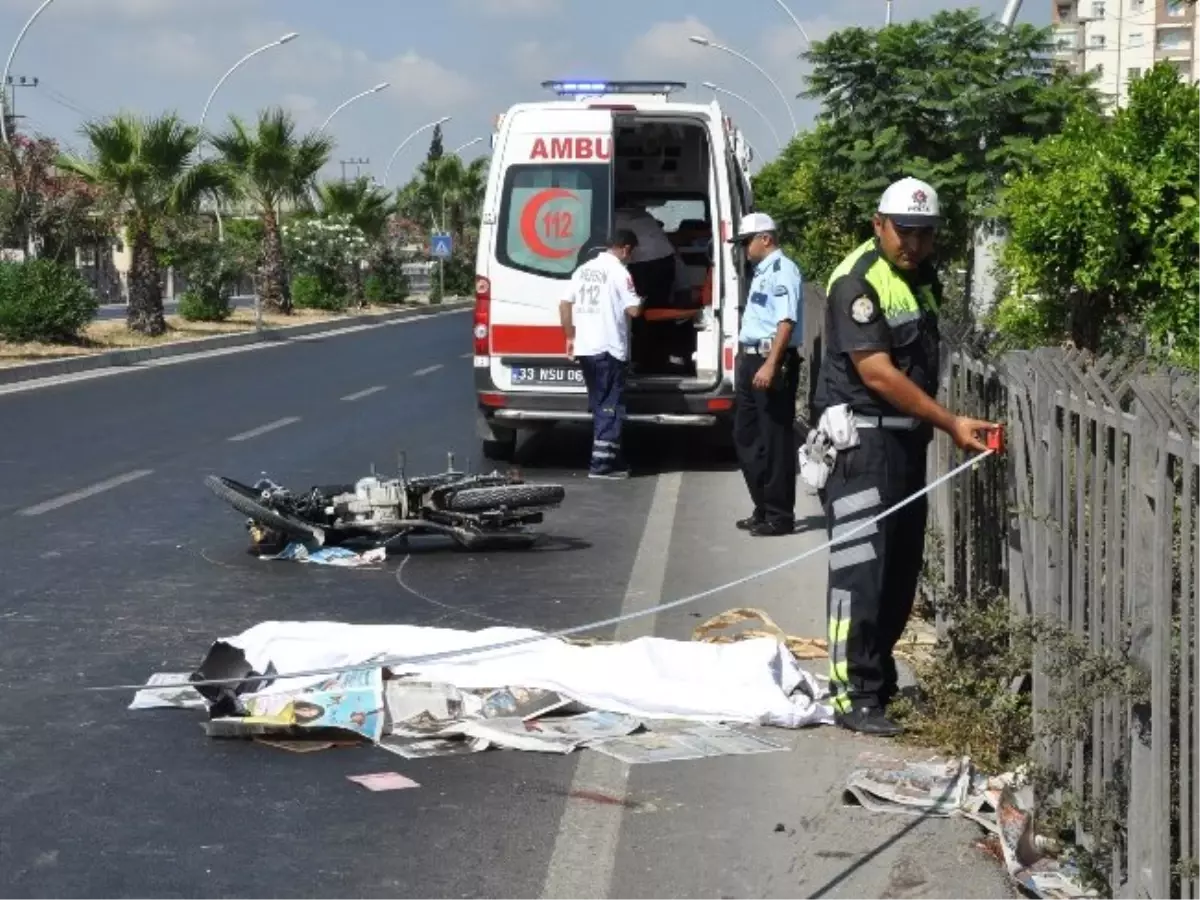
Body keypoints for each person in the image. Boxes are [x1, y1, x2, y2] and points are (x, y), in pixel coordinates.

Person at [812, 176, 1000, 736]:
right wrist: (949, 421)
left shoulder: (920, 280)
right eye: (903, 232)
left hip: (902, 443)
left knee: (898, 571)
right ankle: (852, 693)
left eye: (924, 234)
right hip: (862, 444)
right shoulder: (858, 283)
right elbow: (876, 372)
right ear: (879, 224)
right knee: (859, 572)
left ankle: (878, 677)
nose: (913, 245)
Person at [730, 212, 804, 537]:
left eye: (746, 242)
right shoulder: (760, 272)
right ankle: (762, 506)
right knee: (746, 436)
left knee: (774, 440)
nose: (743, 248)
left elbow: (785, 322)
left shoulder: (782, 270)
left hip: (770, 360)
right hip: (752, 360)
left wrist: (771, 364)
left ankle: (779, 515)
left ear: (766, 238)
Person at [559, 229, 644, 480]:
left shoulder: (583, 270)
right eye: (632, 252)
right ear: (626, 249)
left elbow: (564, 304)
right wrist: (642, 301)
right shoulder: (620, 272)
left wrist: (570, 337)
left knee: (600, 404)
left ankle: (612, 458)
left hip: (586, 348)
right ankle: (602, 465)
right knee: (610, 405)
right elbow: (634, 311)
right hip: (609, 349)